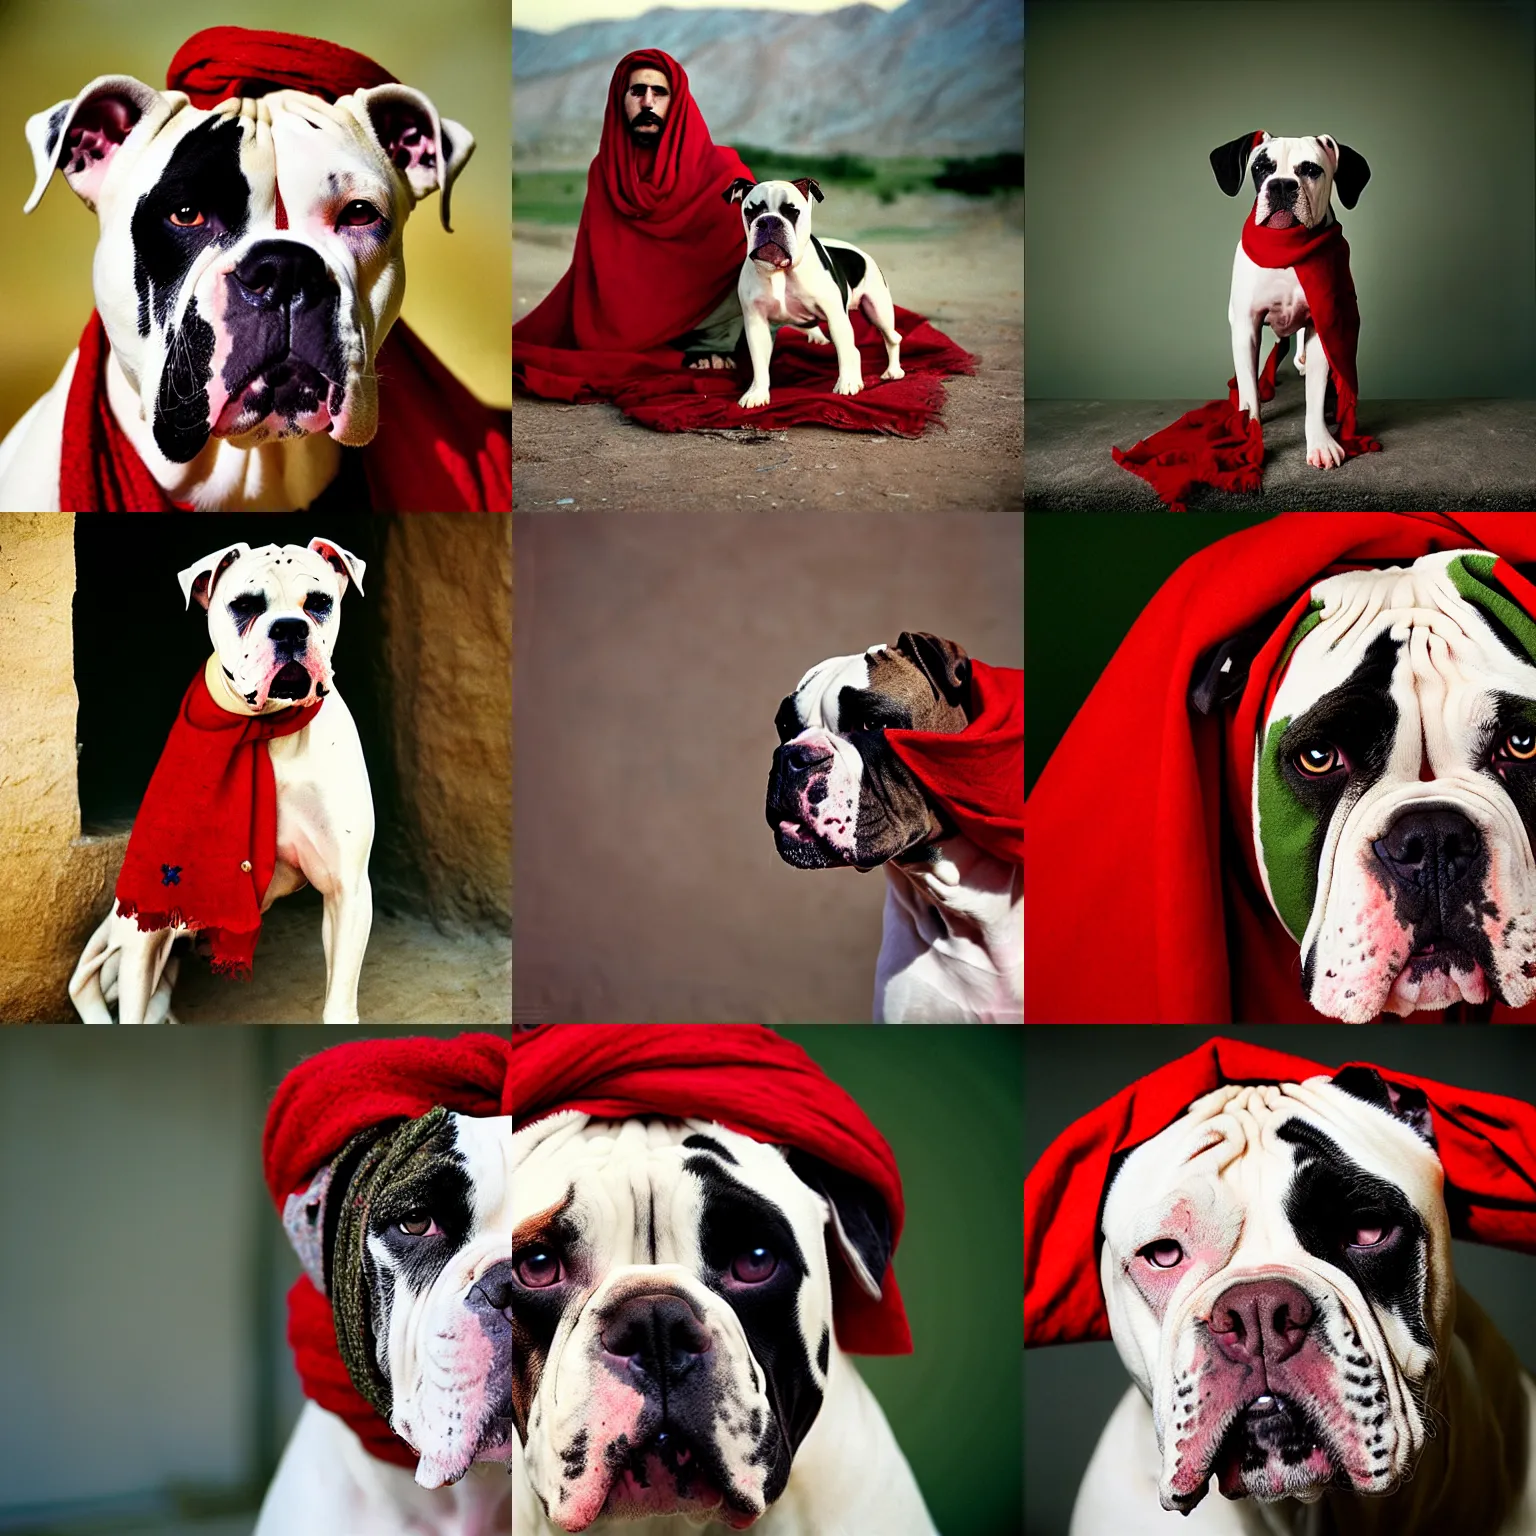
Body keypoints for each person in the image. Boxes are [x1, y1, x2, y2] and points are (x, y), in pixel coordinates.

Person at [512, 48, 752, 399]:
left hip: (712, 327)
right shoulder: (606, 170)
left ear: (678, 102)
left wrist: (722, 340)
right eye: (637, 91)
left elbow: (750, 259)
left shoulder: (725, 173)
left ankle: (714, 348)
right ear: (620, 99)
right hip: (629, 327)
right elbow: (598, 269)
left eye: (660, 93)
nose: (648, 102)